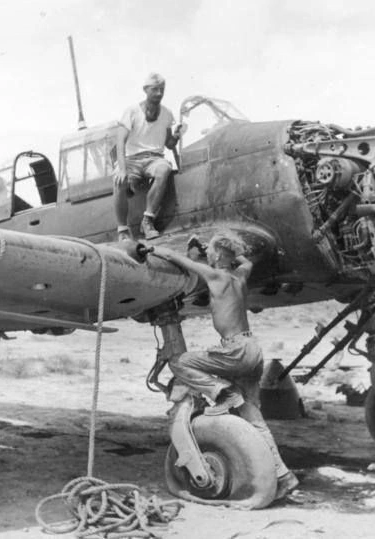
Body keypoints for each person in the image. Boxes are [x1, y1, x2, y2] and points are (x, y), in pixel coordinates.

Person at [151, 231, 299, 500]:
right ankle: (283, 475)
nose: (207, 254)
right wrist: (229, 249)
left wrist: (152, 250)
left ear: (217, 256)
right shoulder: (240, 275)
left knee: (181, 362)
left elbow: (177, 259)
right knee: (253, 417)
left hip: (234, 348)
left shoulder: (215, 276)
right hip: (252, 349)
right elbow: (246, 261)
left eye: (211, 252)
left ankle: (223, 393)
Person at [113, 73, 184, 241]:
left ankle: (147, 220)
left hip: (154, 158)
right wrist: (123, 170)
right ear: (145, 90)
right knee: (118, 180)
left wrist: (176, 136)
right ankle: (123, 230)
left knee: (164, 169)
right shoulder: (131, 111)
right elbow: (120, 142)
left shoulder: (167, 113)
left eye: (162, 90)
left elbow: (168, 144)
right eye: (155, 89)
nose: (159, 93)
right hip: (132, 159)